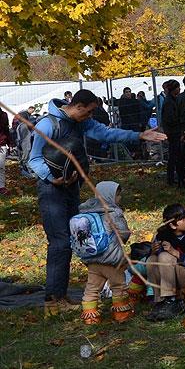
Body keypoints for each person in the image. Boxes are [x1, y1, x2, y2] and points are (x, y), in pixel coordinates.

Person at [29, 89, 165, 315]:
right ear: (79, 106)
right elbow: (32, 159)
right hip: (51, 190)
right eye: (90, 111)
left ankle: (60, 296)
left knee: (73, 237)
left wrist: (139, 135)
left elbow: (106, 134)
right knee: (60, 242)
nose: (91, 116)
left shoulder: (81, 123)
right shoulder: (47, 125)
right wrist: (52, 178)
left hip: (71, 186)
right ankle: (52, 301)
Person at [76, 181, 134, 325]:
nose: (119, 198)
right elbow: (123, 233)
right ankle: (121, 313)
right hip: (111, 259)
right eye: (118, 195)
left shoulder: (85, 211)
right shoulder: (113, 212)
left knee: (92, 288)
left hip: (92, 259)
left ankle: (90, 316)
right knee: (118, 286)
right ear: (109, 196)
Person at [146, 204, 185, 321]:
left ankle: (171, 301)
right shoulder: (163, 235)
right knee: (151, 260)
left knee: (164, 256)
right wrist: (152, 251)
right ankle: (159, 301)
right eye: (182, 218)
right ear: (172, 225)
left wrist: (175, 252)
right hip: (169, 273)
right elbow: (151, 260)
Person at [160, 80, 184, 187]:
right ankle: (171, 179)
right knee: (174, 156)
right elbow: (170, 118)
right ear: (174, 89)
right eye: (178, 88)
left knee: (176, 156)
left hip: (173, 131)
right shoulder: (169, 102)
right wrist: (180, 120)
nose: (179, 89)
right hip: (173, 132)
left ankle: (178, 178)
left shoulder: (172, 100)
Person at [0, 111, 12, 196]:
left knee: (1, 167)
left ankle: (1, 187)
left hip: (2, 143)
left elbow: (6, 130)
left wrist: (10, 144)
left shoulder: (3, 115)